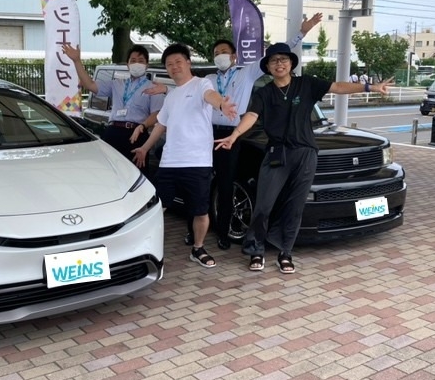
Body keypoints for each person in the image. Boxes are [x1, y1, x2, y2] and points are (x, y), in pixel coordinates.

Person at [147, 14, 323, 251]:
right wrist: (164, 89)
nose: (220, 55)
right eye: (216, 53)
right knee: (197, 185)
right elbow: (187, 88)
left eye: (224, 52)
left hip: (232, 134)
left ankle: (223, 233)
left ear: (234, 56)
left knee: (226, 184)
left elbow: (275, 54)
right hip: (207, 135)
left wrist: (301, 33)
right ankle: (192, 232)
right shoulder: (208, 78)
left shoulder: (246, 73)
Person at [215, 42, 393, 273]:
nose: (279, 64)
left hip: (305, 153)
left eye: (283, 59)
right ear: (268, 67)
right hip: (276, 154)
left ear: (291, 63)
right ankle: (256, 250)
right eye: (274, 61)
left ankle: (285, 252)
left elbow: (338, 86)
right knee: (264, 205)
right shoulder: (264, 93)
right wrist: (235, 134)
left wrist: (370, 87)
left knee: (295, 206)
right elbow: (251, 115)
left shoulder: (306, 84)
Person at [132, 43, 237, 269]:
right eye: (169, 64)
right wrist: (145, 148)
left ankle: (198, 248)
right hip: (169, 163)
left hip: (197, 162)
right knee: (156, 208)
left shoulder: (201, 84)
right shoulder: (171, 96)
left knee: (200, 210)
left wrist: (221, 105)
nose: (174, 66)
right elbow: (161, 125)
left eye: (178, 62)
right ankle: (144, 249)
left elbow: (211, 96)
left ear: (188, 63)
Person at [62, 43, 164, 175]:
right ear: (127, 64)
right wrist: (77, 61)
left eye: (141, 61)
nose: (137, 64)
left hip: (136, 134)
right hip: (113, 131)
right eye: (133, 60)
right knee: (109, 173)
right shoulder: (117, 84)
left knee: (135, 174)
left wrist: (143, 126)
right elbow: (90, 84)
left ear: (147, 65)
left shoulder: (154, 87)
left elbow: (157, 113)